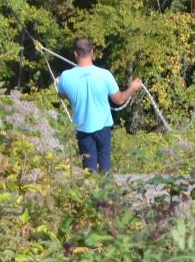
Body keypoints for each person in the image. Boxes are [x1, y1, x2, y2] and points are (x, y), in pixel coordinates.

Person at [56, 38, 143, 173]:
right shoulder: (104, 75)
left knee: (89, 169)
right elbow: (119, 99)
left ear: (75, 54)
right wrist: (132, 88)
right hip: (103, 128)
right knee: (105, 167)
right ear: (92, 52)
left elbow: (61, 95)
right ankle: (107, 192)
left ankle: (91, 192)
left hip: (83, 130)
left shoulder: (65, 77)